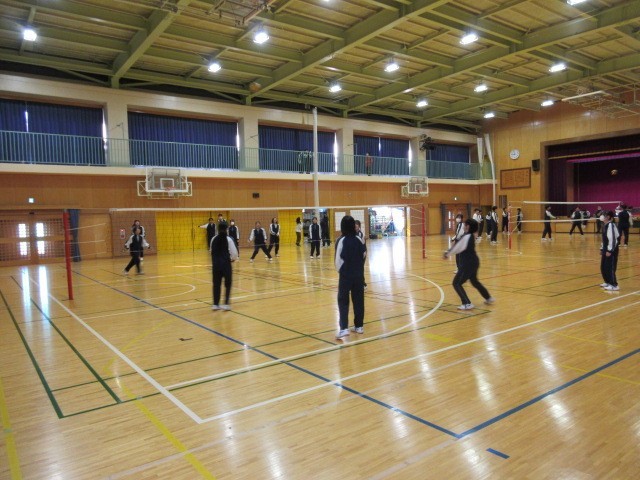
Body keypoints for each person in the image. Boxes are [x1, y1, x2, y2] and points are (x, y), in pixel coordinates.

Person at [443, 219, 494, 310]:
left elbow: (458, 247)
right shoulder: (470, 235)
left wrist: (447, 253)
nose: (463, 226)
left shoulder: (467, 236)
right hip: (474, 262)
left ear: (468, 226)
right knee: (474, 281)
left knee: (456, 283)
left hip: (468, 264)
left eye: (465, 224)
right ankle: (488, 298)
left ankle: (467, 303)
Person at [334, 215, 367, 339]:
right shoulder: (359, 239)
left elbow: (337, 261)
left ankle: (344, 329)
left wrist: (342, 272)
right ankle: (359, 326)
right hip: (358, 275)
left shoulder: (341, 240)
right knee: (359, 300)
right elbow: (364, 254)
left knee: (343, 300)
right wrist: (358, 268)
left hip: (346, 276)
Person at [210, 221, 239, 310]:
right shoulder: (229, 239)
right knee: (228, 284)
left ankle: (215, 304)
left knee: (216, 284)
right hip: (226, 265)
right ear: (227, 229)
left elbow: (211, 251)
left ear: (218, 229)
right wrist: (232, 259)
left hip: (216, 266)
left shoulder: (213, 239)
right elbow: (234, 254)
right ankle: (226, 304)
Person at [600, 211, 620, 291]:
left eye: (604, 215)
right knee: (603, 267)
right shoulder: (605, 225)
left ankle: (614, 285)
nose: (602, 216)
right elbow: (604, 240)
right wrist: (602, 249)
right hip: (606, 249)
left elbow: (613, 239)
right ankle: (607, 282)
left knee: (610, 267)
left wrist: (610, 250)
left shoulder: (611, 225)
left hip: (611, 249)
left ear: (608, 217)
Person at [355, 219, 368, 291]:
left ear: (359, 227)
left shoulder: (361, 234)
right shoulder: (352, 234)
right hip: (355, 255)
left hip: (362, 254)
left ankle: (363, 284)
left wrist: (362, 256)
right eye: (354, 226)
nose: (355, 228)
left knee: (360, 270)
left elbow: (363, 247)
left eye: (356, 226)